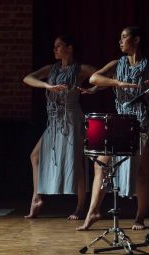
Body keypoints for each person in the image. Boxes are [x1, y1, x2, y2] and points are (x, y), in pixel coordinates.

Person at [77, 26, 149, 230]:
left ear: (136, 40)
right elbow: (94, 78)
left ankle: (140, 216)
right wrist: (117, 83)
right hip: (121, 119)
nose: (120, 41)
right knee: (101, 163)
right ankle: (93, 212)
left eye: (124, 37)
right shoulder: (116, 63)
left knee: (142, 171)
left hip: (141, 119)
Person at [23, 35, 98, 220]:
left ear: (69, 48)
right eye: (54, 46)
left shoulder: (80, 69)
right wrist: (47, 85)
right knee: (35, 156)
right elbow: (28, 78)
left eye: (58, 46)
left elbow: (103, 77)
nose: (55, 49)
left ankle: (80, 208)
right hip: (55, 119)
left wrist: (94, 89)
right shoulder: (52, 69)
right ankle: (37, 199)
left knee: (76, 163)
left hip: (71, 118)